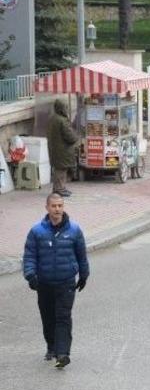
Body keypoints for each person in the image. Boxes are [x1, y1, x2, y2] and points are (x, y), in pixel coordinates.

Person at [22, 193, 88, 369]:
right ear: (47, 208)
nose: (57, 209)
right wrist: (30, 275)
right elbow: (29, 256)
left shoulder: (74, 230)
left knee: (63, 317)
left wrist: (84, 275)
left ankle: (63, 354)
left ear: (63, 207)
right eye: (54, 206)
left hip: (66, 282)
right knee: (48, 317)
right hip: (44, 283)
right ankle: (51, 346)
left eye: (60, 206)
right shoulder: (36, 231)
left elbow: (81, 255)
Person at [45, 99, 78, 196]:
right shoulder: (62, 121)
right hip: (63, 150)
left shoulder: (52, 119)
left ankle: (59, 188)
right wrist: (76, 137)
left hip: (55, 148)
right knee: (61, 170)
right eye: (66, 107)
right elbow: (70, 136)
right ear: (62, 108)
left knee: (58, 169)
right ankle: (59, 189)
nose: (67, 109)